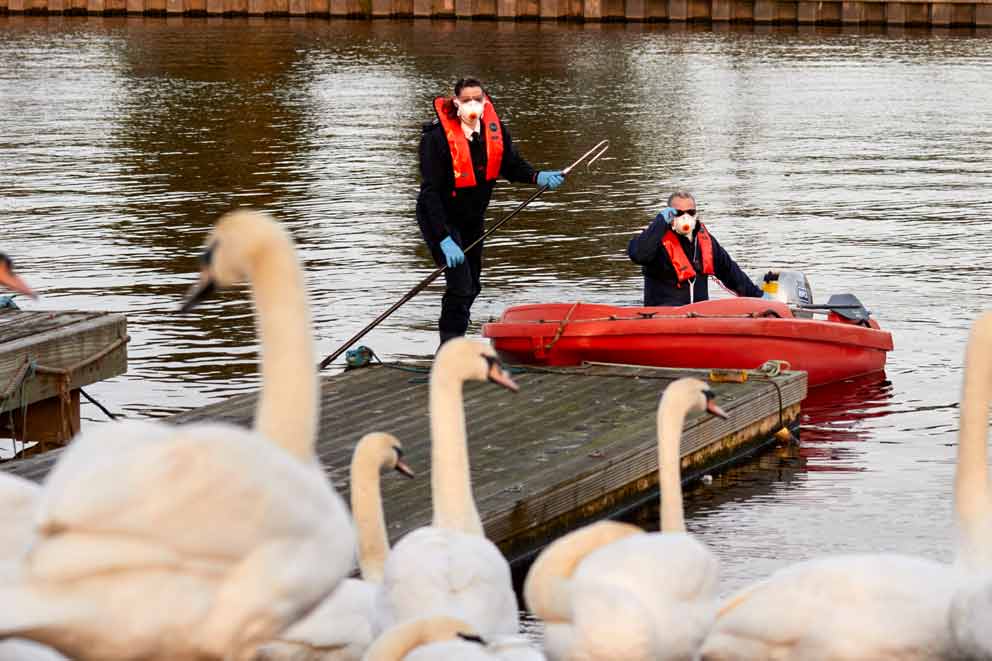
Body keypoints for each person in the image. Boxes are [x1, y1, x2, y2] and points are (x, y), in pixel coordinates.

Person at [417, 77, 565, 346]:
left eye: (477, 98)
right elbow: (430, 193)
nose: (472, 104)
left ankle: (456, 342)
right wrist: (443, 238)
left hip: (472, 218)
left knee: (473, 285)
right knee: (460, 285)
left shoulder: (494, 131)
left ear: (485, 101)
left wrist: (537, 176)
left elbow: (511, 165)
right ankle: (448, 350)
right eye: (466, 100)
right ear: (456, 103)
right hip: (440, 218)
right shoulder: (435, 139)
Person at [627, 191, 768, 307]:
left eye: (690, 212)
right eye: (679, 213)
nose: (685, 217)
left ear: (695, 214)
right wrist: (660, 221)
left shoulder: (705, 241)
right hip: (664, 318)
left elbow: (731, 272)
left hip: (699, 318)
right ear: (669, 215)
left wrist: (759, 297)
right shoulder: (654, 240)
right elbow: (638, 255)